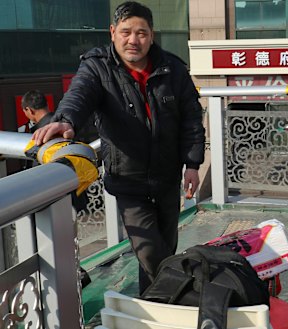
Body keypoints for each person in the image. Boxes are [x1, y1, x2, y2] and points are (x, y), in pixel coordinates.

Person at [32, 1, 206, 294]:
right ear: (113, 32)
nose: (133, 40)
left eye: (141, 32)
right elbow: (79, 94)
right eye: (126, 32)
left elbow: (190, 118)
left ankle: (154, 305)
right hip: (127, 177)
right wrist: (65, 120)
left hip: (167, 175)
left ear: (152, 36)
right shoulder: (98, 67)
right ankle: (187, 293)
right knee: (150, 249)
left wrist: (192, 164)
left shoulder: (172, 68)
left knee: (163, 246)